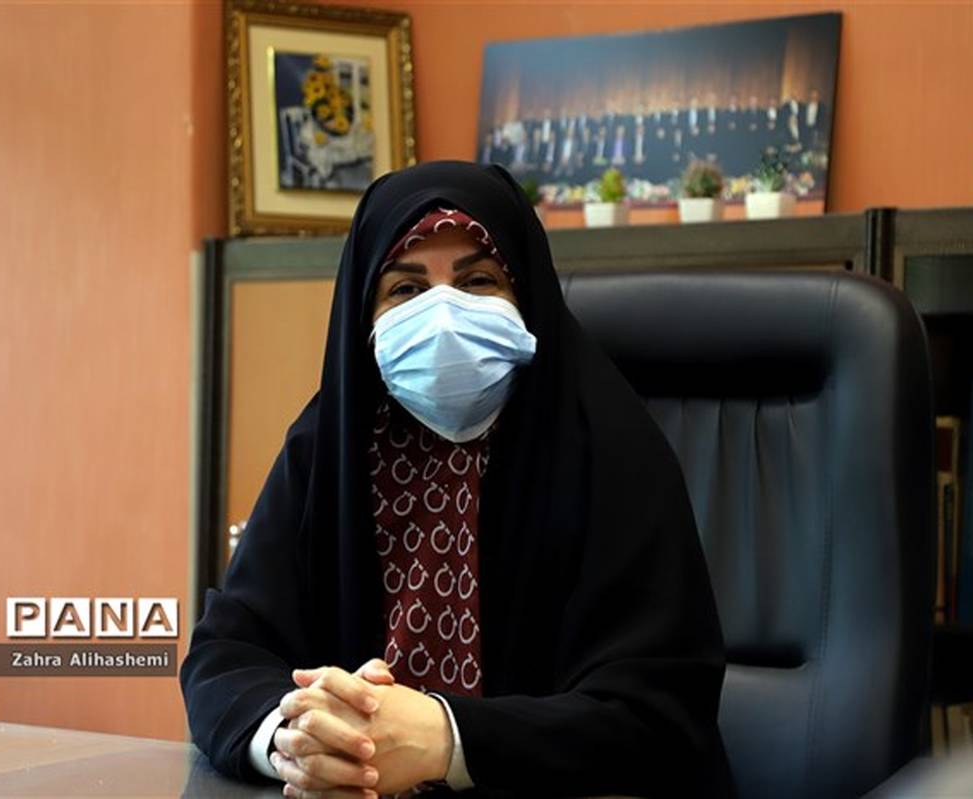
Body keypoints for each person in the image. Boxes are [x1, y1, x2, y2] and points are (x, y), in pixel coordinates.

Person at [180, 160, 733, 798]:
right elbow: (224, 653)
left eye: (477, 281)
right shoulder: (327, 448)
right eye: (405, 289)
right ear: (363, 314)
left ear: (528, 299)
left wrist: (448, 739)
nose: (443, 313)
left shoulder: (612, 447)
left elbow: (659, 712)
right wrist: (294, 738)